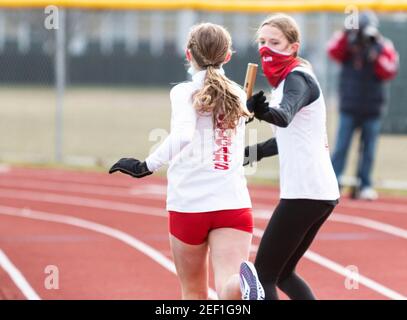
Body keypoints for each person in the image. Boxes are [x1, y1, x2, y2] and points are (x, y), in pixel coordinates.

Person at [109, 23, 264, 300]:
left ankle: (240, 287)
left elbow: (183, 135)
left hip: (190, 205)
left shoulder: (183, 92)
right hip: (233, 203)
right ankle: (240, 286)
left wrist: (146, 166)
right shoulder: (239, 94)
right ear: (228, 56)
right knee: (228, 285)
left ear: (188, 54)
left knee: (194, 292)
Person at [242, 13, 340, 300]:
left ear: (292, 47)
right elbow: (289, 136)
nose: (266, 48)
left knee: (264, 276)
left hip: (305, 192)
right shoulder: (289, 79)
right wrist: (253, 152)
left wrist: (261, 112)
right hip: (318, 191)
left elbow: (283, 116)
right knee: (283, 274)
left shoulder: (297, 78)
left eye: (275, 42)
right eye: (262, 42)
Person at [327, 11, 399, 200]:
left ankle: (365, 184)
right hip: (349, 106)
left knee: (369, 151)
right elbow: (332, 51)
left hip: (372, 108)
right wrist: (346, 35)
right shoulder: (347, 42)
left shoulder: (383, 45)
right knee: (341, 147)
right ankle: (333, 183)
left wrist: (376, 55)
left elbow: (390, 70)